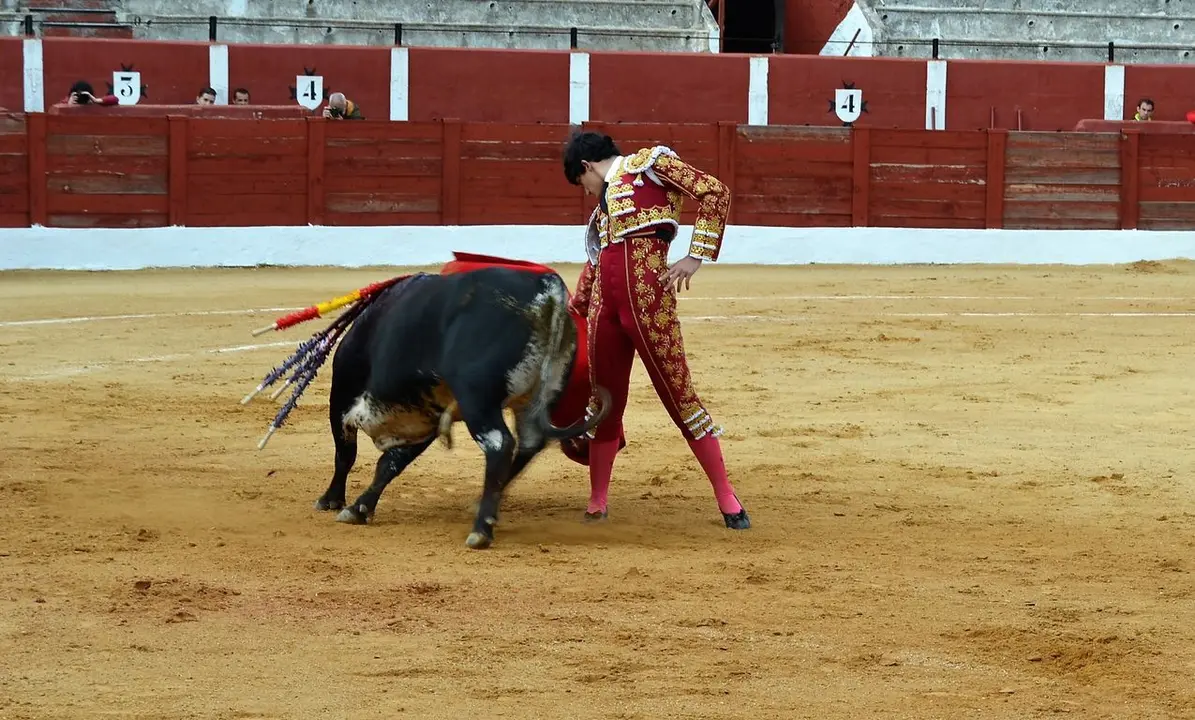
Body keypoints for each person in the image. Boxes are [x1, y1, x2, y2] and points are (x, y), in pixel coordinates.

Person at [562, 129, 750, 531]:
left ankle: (726, 497)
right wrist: (573, 308)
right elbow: (596, 265)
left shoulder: (651, 165)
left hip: (650, 303)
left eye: (582, 184)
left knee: (680, 395)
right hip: (604, 312)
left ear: (586, 167)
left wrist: (696, 256)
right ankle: (597, 501)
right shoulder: (603, 212)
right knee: (604, 403)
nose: (586, 192)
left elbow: (715, 192)